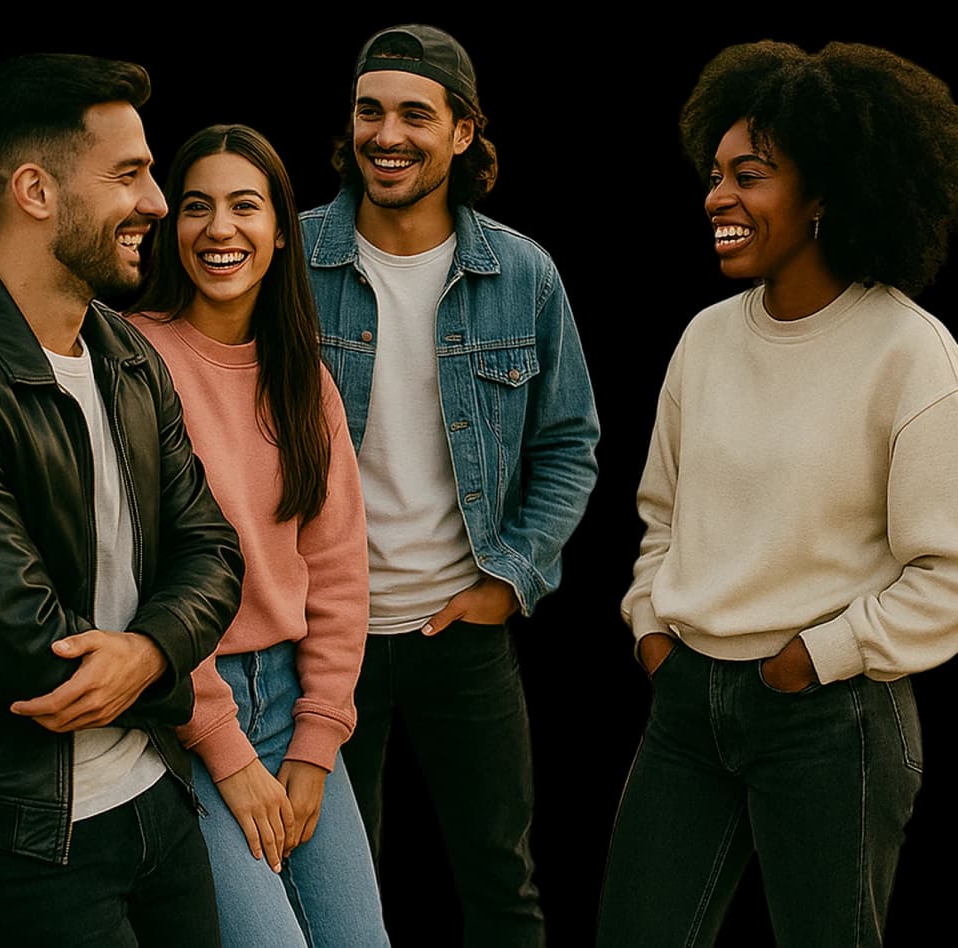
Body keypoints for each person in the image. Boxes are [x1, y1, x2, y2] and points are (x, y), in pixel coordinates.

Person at [596, 40, 958, 947]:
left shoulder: (909, 353)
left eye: (748, 176)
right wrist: (650, 627)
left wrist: (815, 655)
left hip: (830, 718)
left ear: (825, 193)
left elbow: (946, 577)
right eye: (714, 174)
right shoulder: (706, 340)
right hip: (686, 706)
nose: (717, 196)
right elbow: (662, 518)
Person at [0, 53, 245, 948]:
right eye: (129, 174)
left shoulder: (124, 353)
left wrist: (152, 649)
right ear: (35, 190)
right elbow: (36, 658)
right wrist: (166, 654)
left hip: (152, 797)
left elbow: (214, 549)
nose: (158, 201)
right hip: (13, 834)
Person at [300, 23, 601, 947]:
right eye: (369, 111)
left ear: (464, 132)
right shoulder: (287, 262)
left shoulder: (521, 274)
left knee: (500, 888)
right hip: (319, 640)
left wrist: (509, 579)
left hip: (457, 634)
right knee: (337, 896)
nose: (387, 134)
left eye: (415, 115)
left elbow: (570, 443)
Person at [126, 123, 389, 948]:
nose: (220, 229)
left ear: (281, 230)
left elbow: (340, 573)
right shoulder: (136, 358)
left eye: (246, 206)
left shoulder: (302, 379)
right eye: (197, 207)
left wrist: (315, 744)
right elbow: (141, 571)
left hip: (295, 697)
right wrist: (223, 746)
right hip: (186, 707)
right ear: (173, 227)